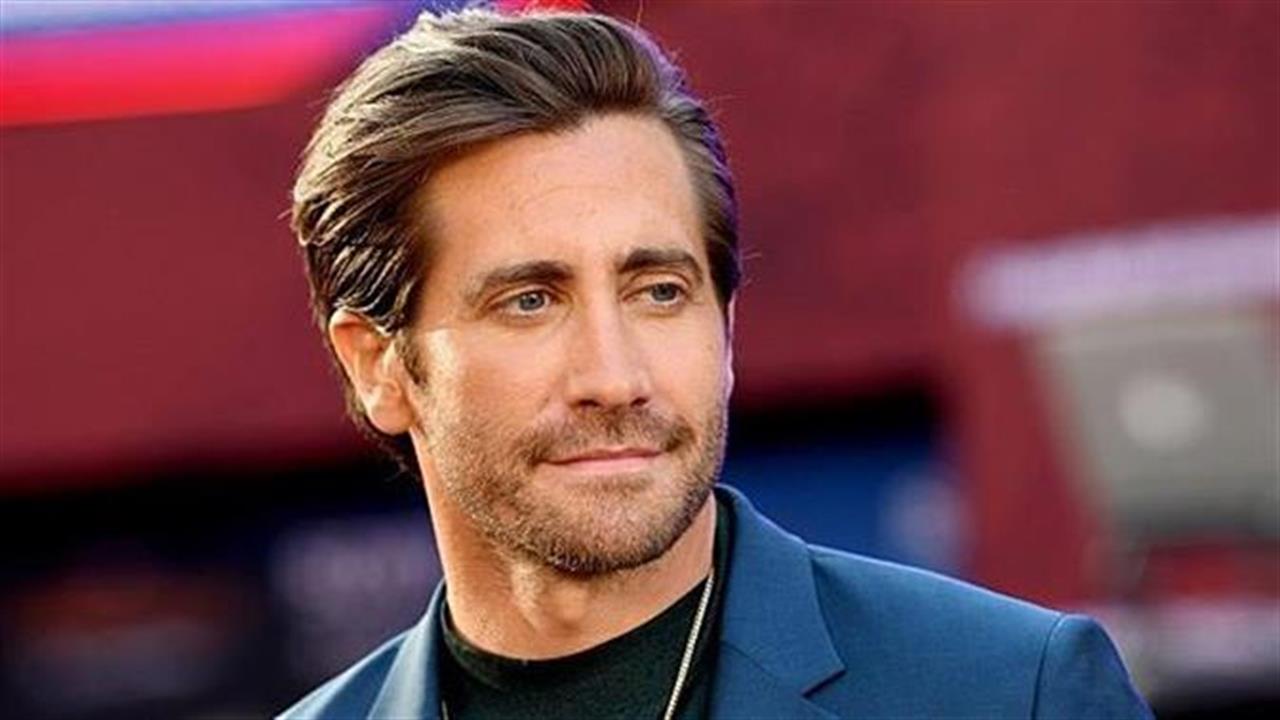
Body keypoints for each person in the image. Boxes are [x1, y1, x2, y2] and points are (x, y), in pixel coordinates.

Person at [280, 7, 1151, 719]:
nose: (614, 378)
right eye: (530, 301)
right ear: (378, 366)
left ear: (726, 329)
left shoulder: (1010, 693)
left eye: (659, 292)